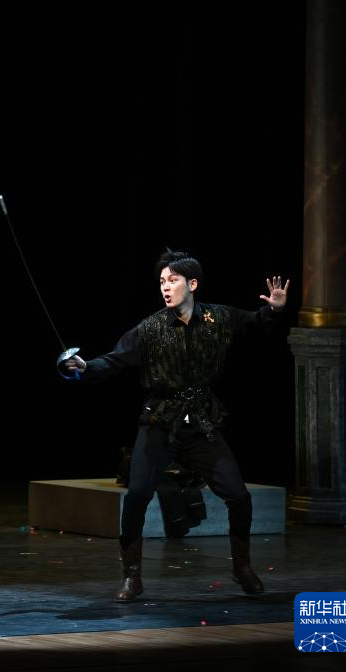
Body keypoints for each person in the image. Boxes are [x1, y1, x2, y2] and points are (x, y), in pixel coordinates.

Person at [63, 249, 288, 602]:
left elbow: (254, 322)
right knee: (137, 494)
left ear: (192, 284)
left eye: (173, 280)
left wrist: (274, 309)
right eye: (162, 282)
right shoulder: (150, 328)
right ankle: (132, 576)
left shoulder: (217, 317)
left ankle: (242, 567)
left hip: (200, 421)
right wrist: (85, 367)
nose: (166, 288)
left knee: (239, 496)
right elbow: (114, 360)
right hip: (160, 420)